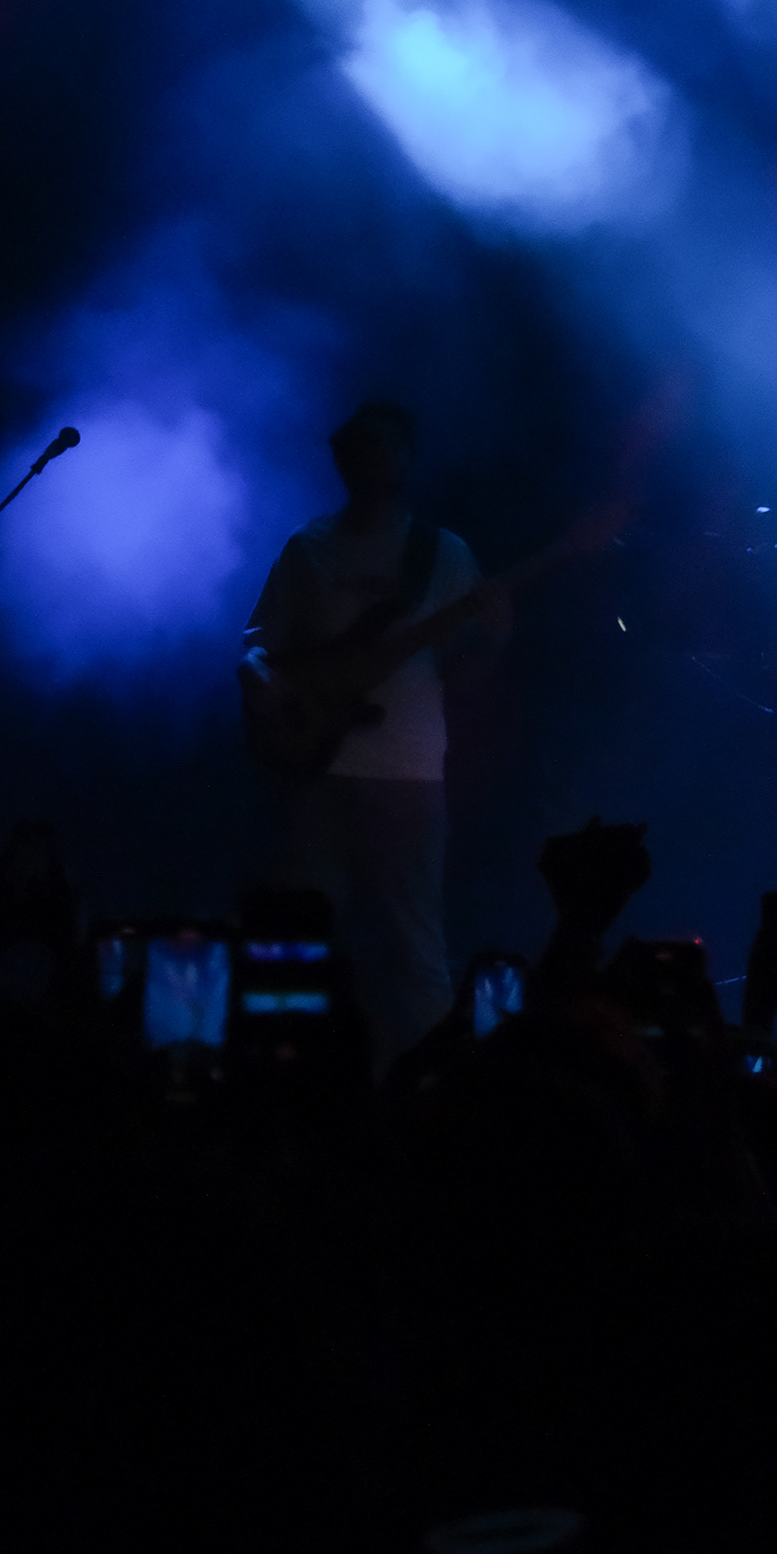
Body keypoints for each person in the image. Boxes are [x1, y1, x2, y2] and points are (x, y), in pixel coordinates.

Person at [238, 399, 508, 1064]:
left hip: (409, 771)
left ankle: (429, 1087)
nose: (376, 457)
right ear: (342, 458)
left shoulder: (443, 553)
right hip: (316, 767)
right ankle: (290, 1076)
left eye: (388, 446)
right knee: (299, 939)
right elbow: (259, 643)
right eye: (363, 445)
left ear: (407, 458)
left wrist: (496, 642)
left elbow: (465, 667)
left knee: (416, 948)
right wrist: (260, 681)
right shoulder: (308, 547)